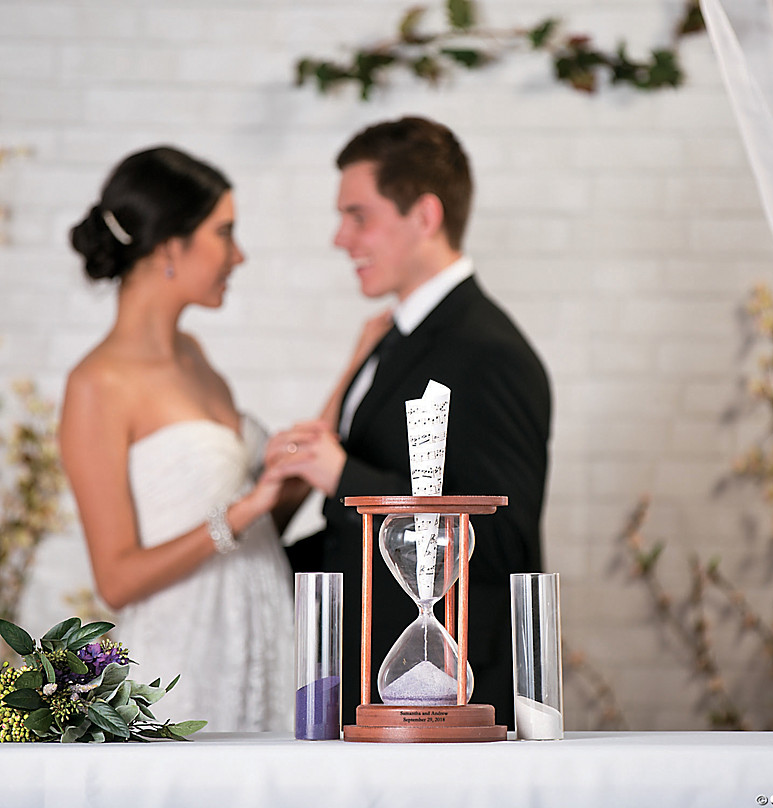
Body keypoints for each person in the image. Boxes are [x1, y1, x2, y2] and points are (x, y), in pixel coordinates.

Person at [267, 116, 552, 728]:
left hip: (447, 711)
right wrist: (252, 560)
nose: (340, 239)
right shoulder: (389, 338)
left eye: (358, 215)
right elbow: (356, 535)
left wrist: (342, 474)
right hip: (375, 699)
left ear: (425, 216)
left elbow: (504, 545)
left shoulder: (489, 352)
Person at [60, 146, 298, 732]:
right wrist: (243, 510)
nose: (238, 255)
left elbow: (248, 527)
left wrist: (284, 483)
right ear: (171, 244)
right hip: (188, 661)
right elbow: (117, 580)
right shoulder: (97, 385)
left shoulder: (196, 356)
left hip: (267, 638)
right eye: (224, 232)